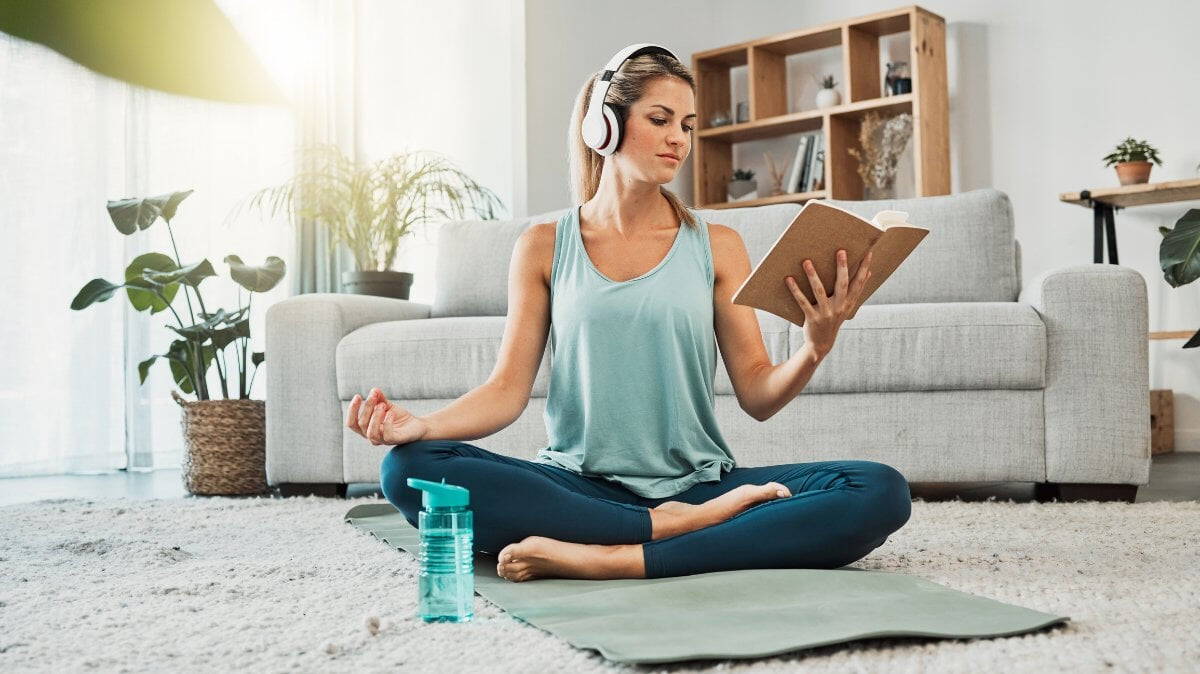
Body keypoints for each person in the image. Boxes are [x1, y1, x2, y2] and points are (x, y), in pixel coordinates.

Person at [346, 44, 911, 583]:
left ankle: (619, 557)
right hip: (577, 489)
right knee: (405, 469)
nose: (679, 140)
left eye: (687, 125)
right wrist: (423, 426)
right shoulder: (543, 245)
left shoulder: (719, 244)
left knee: (879, 490)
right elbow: (505, 389)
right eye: (661, 119)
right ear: (605, 126)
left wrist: (816, 344)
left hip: (700, 488)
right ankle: (662, 532)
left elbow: (759, 396)